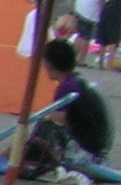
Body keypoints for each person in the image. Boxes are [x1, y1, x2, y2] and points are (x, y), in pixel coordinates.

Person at [43, 37, 111, 165]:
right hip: (99, 150)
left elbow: (56, 121)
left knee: (42, 129)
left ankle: (2, 160)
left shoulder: (68, 86)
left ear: (48, 64)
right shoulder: (77, 81)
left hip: (88, 155)